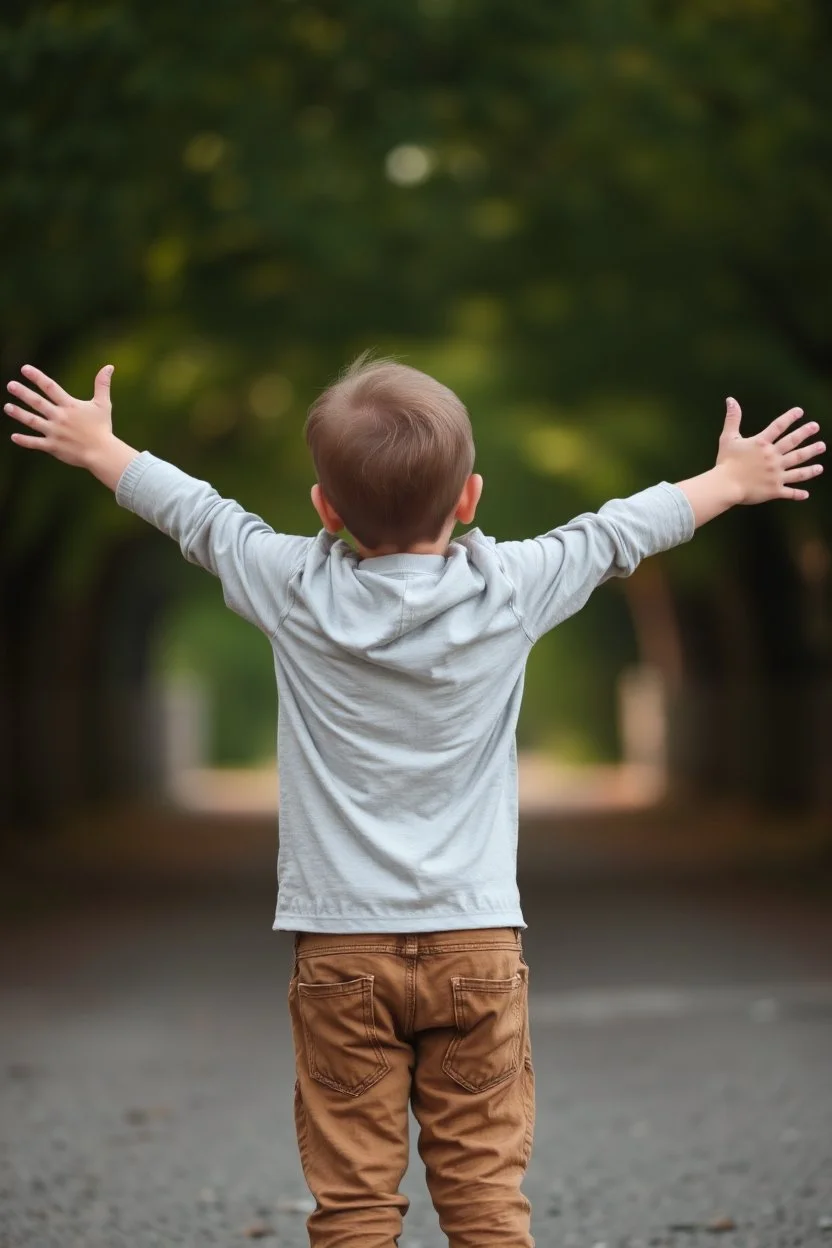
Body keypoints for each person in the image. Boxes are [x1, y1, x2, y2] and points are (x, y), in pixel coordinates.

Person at [5, 356, 824, 1247]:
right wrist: (730, 479)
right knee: (483, 1195)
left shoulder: (294, 589)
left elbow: (199, 516)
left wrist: (100, 447)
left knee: (353, 1200)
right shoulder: (510, 590)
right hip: (476, 939)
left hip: (339, 946)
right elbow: (616, 531)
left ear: (325, 508)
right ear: (469, 496)